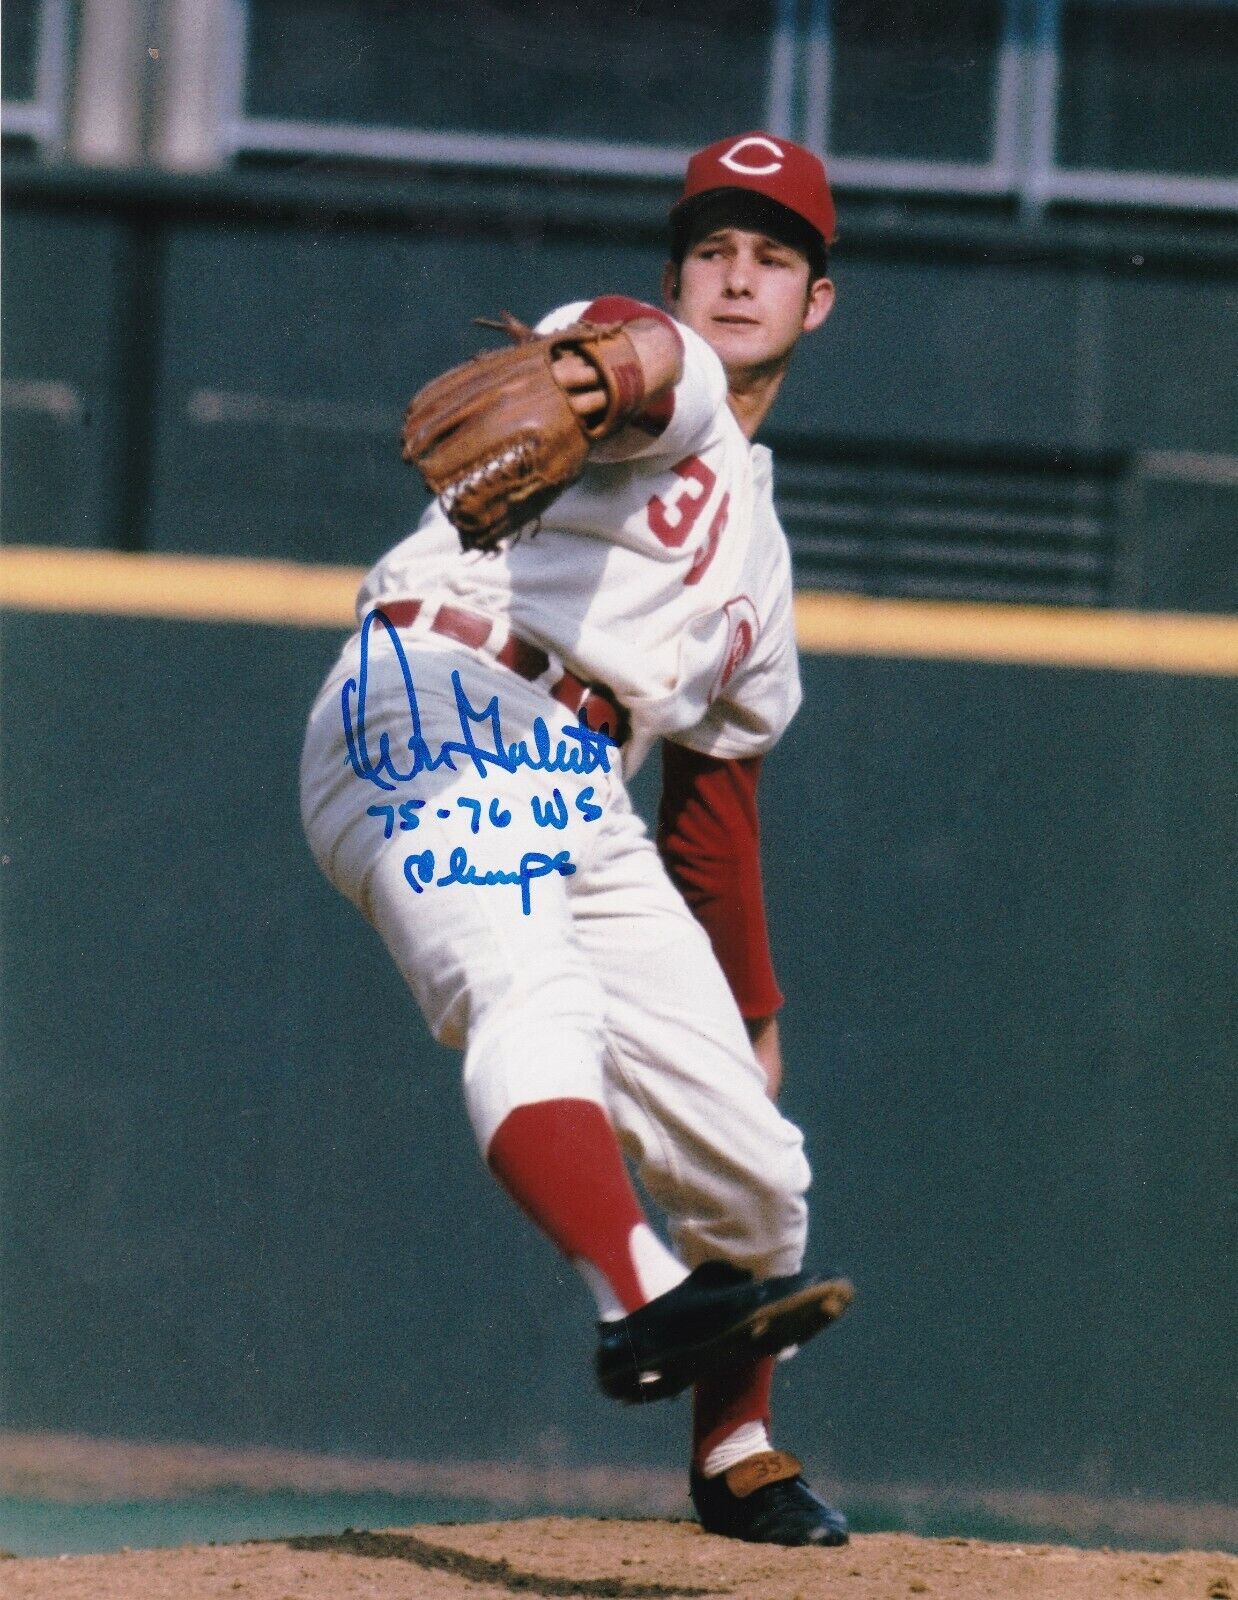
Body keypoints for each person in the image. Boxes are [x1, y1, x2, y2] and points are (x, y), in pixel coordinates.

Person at [299, 131, 851, 1547]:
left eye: (771, 259)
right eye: (712, 252)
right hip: (438, 694)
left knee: (755, 1163)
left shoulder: (762, 564)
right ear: (676, 274)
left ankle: (736, 1453)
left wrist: (754, 1008)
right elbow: (627, 353)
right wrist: (606, 370)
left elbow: (712, 807)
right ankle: (636, 1297)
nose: (736, 280)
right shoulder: (663, 373)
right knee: (524, 989)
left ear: (817, 300)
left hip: (584, 777)